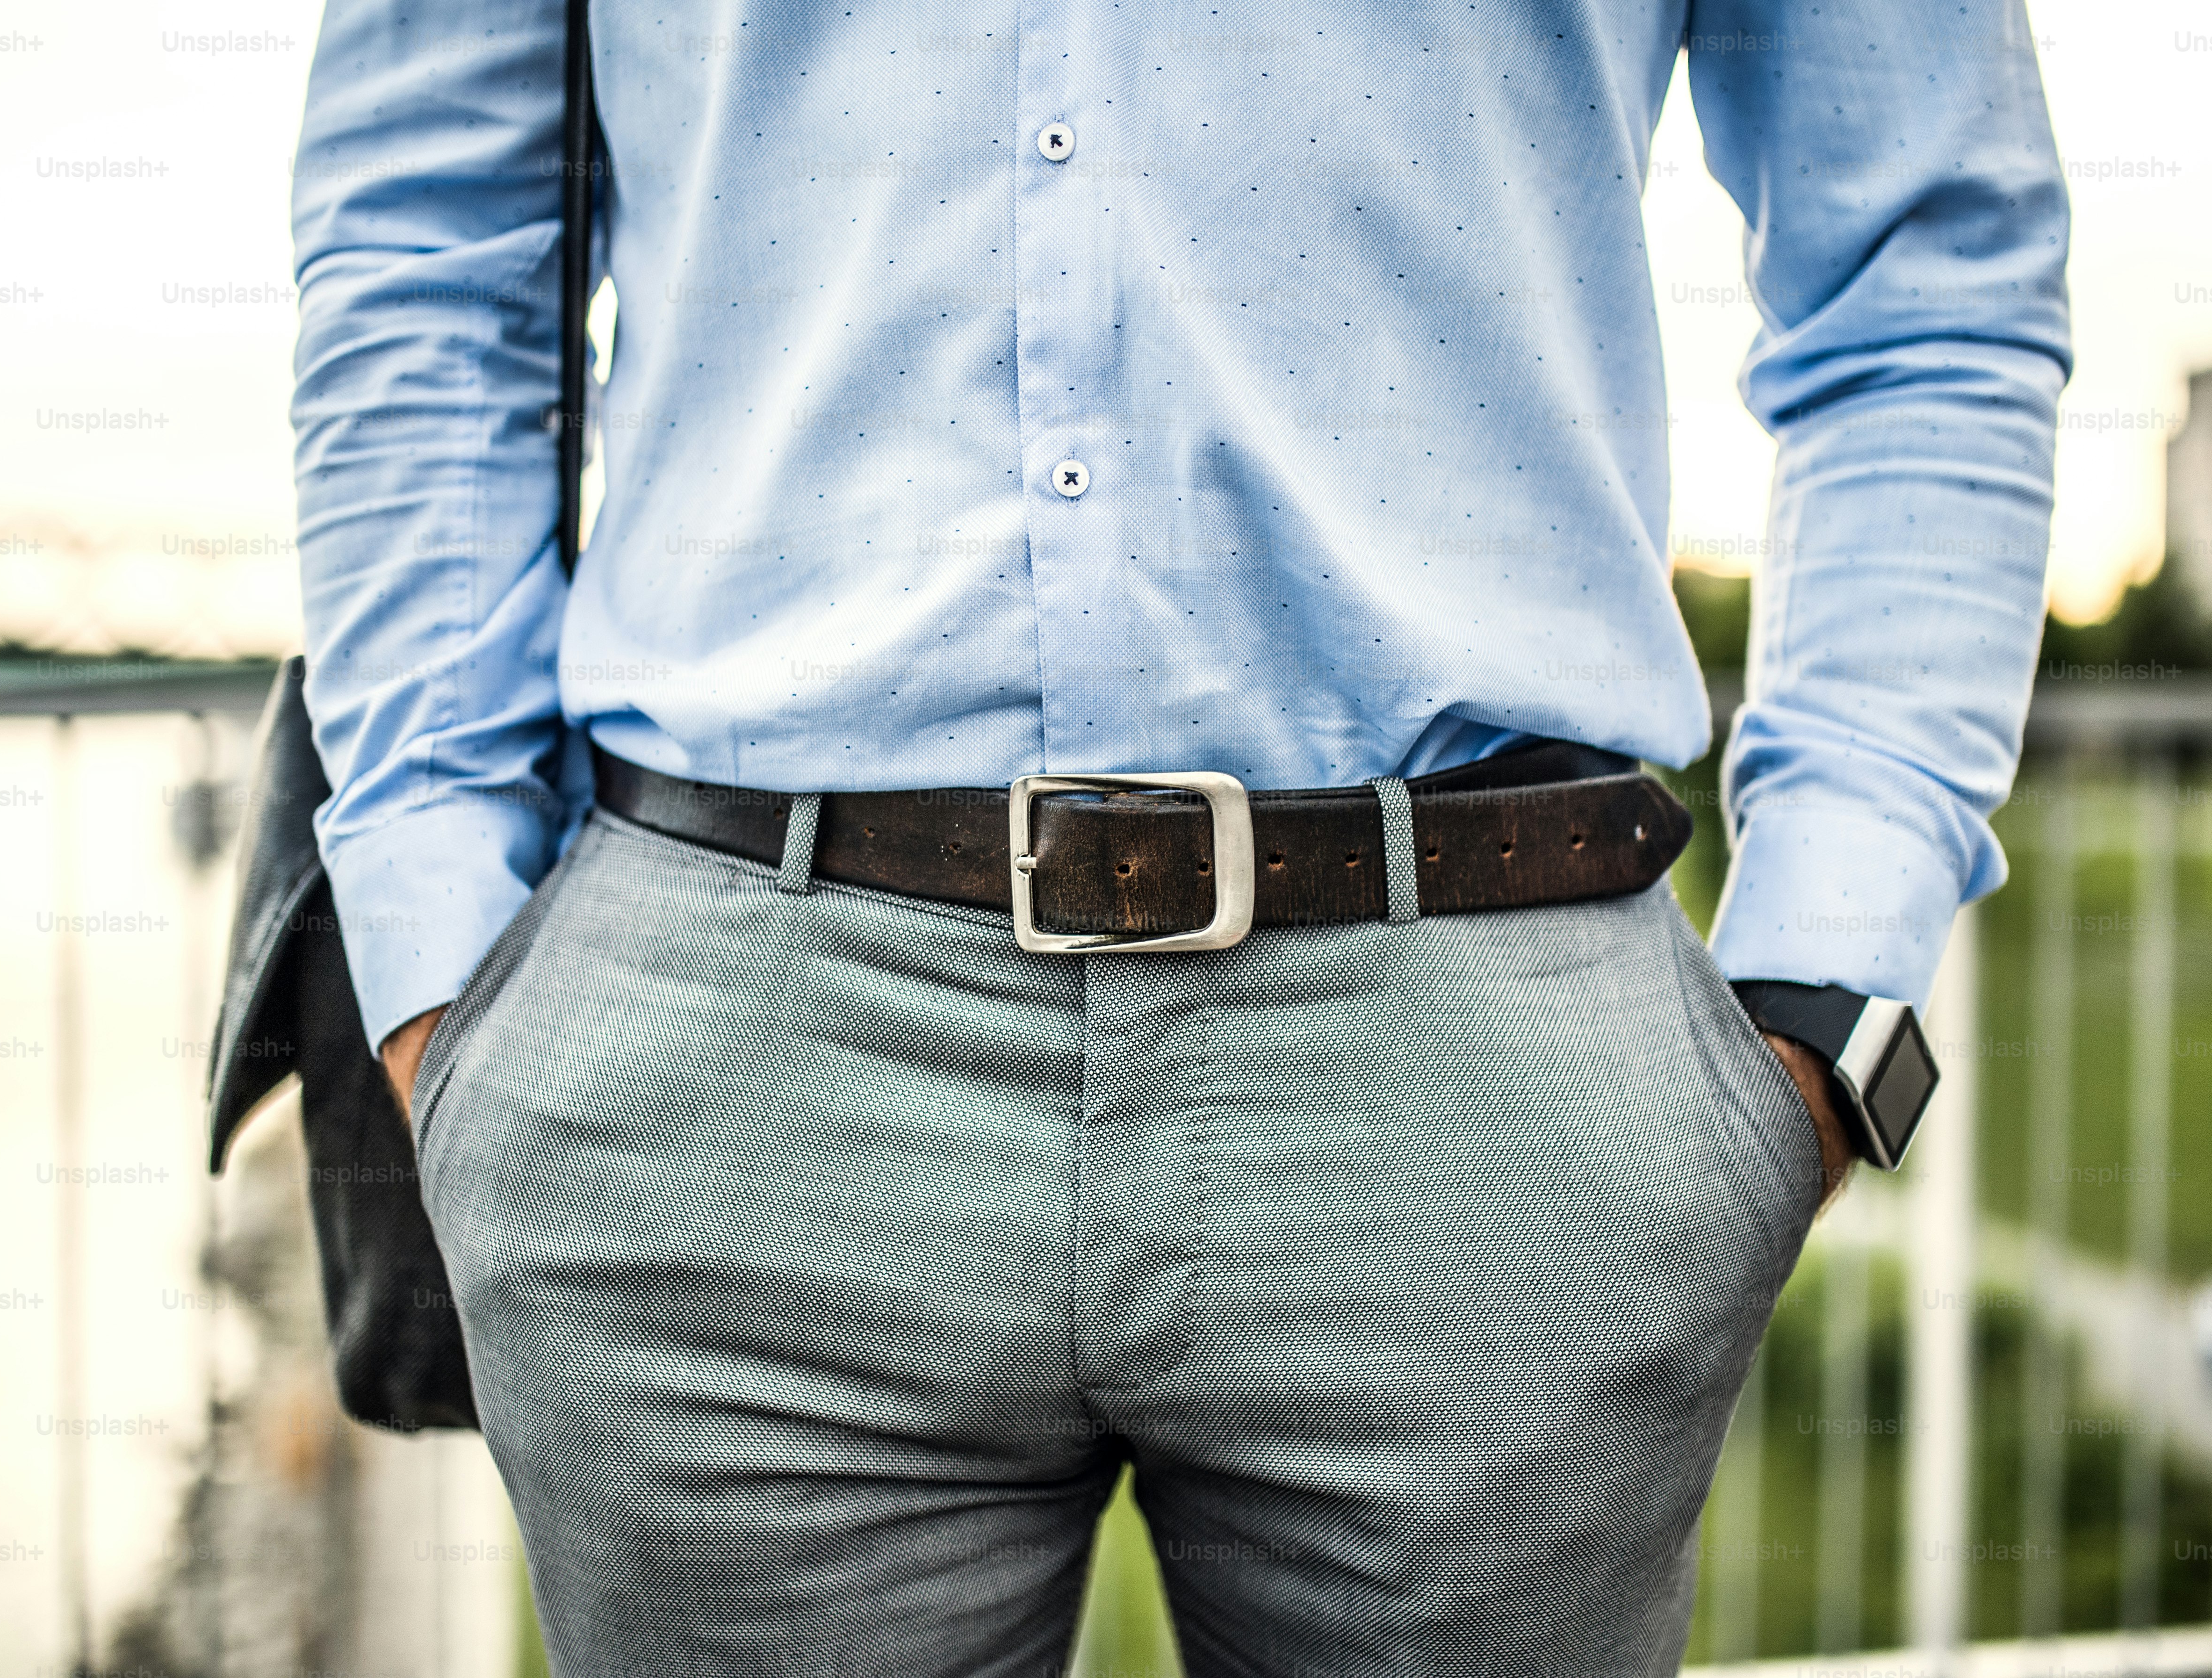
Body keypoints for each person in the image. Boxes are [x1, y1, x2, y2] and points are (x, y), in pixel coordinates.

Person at [288, 0, 2067, 1670]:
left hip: (1494, 1096)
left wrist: (1824, 991)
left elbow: (1924, 277)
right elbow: (425, 254)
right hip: (715, 1068)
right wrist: (446, 969)